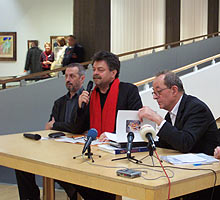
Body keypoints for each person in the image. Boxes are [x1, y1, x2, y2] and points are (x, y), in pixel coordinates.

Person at [72, 50, 143, 199]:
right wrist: (80, 108)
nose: (95, 73)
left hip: (117, 155)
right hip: (94, 153)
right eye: (94, 69)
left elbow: (134, 127)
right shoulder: (90, 93)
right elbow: (78, 128)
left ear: (113, 73)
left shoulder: (129, 91)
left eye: (100, 70)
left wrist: (111, 136)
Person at [15, 63, 86, 200]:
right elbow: (49, 127)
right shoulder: (59, 102)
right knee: (21, 164)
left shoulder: (86, 100)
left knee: (59, 170)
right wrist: (61, 126)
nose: (68, 79)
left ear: (82, 78)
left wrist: (58, 125)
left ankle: (74, 192)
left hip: (75, 150)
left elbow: (77, 128)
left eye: (72, 76)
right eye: (66, 76)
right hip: (56, 148)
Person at [138, 70, 218, 155]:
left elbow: (185, 143)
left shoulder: (196, 108)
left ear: (174, 90)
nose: (154, 97)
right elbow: (166, 144)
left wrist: (158, 119)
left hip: (208, 165)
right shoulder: (170, 114)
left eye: (158, 92)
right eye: (153, 93)